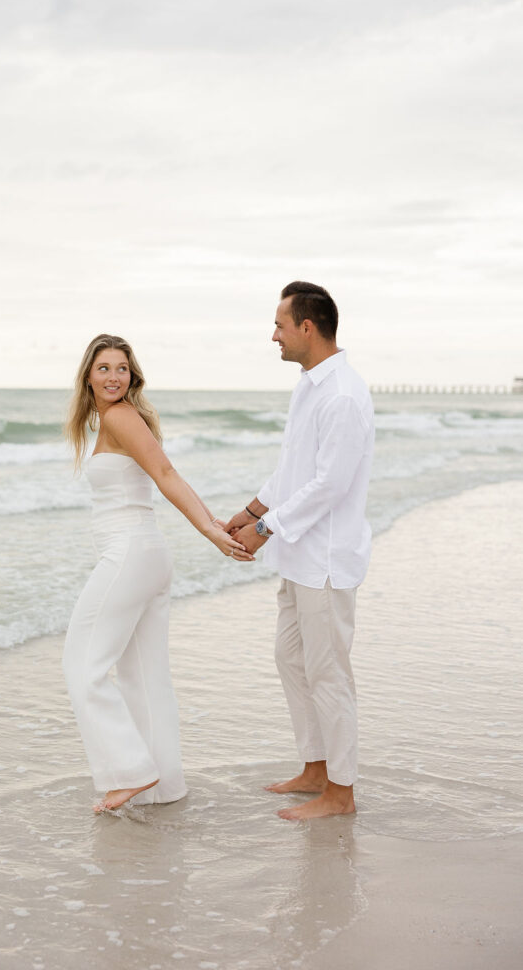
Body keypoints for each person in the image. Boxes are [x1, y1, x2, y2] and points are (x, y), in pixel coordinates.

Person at [63, 333, 252, 813]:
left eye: (121, 368)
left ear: (133, 375)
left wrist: (210, 530)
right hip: (146, 556)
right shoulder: (116, 419)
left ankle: (131, 772)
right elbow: (162, 476)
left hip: (129, 555)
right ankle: (163, 785)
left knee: (82, 667)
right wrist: (209, 525)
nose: (113, 377)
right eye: (104, 368)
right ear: (88, 374)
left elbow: (166, 474)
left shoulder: (122, 417)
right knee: (145, 676)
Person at [224, 282, 374, 820]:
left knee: (329, 671)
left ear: (307, 327)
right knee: (291, 657)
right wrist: (250, 511)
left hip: (328, 559)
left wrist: (265, 531)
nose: (274, 335)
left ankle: (342, 792)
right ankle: (315, 768)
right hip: (299, 554)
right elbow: (293, 471)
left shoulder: (343, 395)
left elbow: (330, 485)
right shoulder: (310, 386)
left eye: (280, 325)